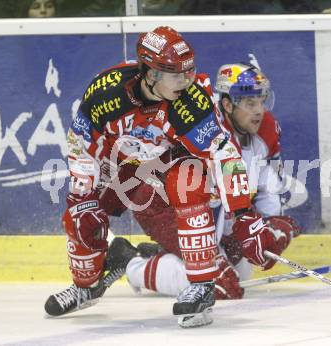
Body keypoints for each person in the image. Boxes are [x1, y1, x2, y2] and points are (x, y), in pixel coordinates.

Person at [43, 27, 284, 328]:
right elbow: (80, 144)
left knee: (189, 181)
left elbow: (224, 155)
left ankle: (201, 285)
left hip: (167, 162)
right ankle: (86, 285)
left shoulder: (190, 100)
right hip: (118, 165)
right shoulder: (106, 93)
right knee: (82, 219)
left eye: (189, 71)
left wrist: (244, 213)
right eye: (175, 73)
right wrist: (82, 195)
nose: (186, 80)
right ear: (150, 73)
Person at [125, 63, 301, 300]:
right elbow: (207, 199)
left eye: (262, 101)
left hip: (207, 207)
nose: (259, 110)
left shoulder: (266, 128)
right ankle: (129, 263)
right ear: (227, 104)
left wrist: (270, 226)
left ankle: (166, 254)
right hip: (161, 204)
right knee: (218, 285)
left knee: (243, 267)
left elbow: (265, 180)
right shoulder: (207, 129)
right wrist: (214, 259)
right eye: (250, 103)